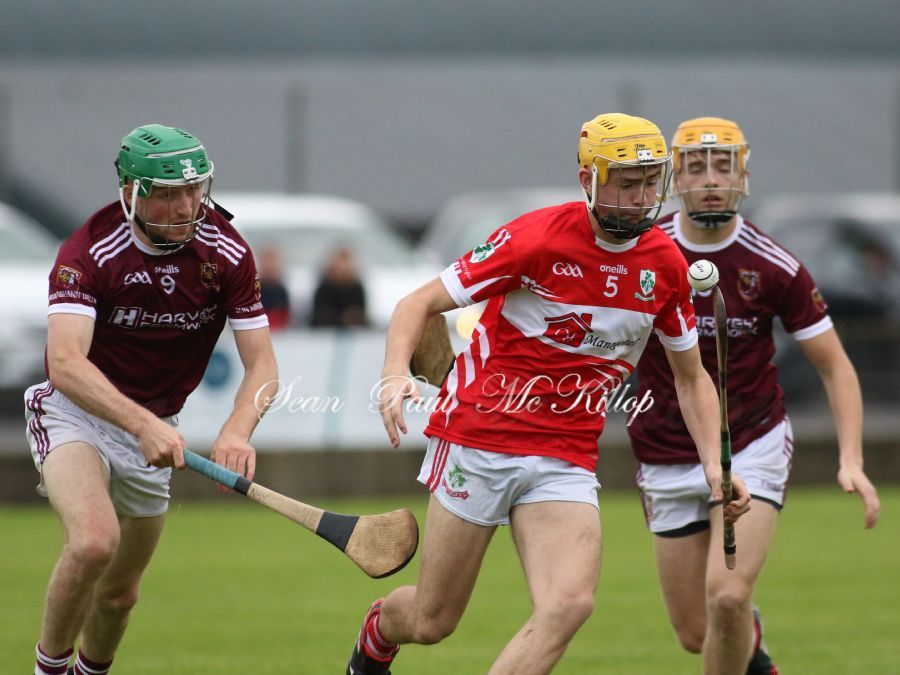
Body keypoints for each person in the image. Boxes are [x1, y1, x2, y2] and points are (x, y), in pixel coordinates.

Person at [346, 113, 751, 675]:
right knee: (432, 621)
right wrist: (395, 373)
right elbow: (418, 304)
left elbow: (692, 378)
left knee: (570, 603)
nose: (640, 198)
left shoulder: (664, 265)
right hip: (479, 438)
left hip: (565, 455)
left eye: (649, 182)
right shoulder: (533, 239)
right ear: (589, 180)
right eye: (625, 183)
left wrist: (713, 464)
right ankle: (377, 634)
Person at [627, 117, 881, 675]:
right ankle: (752, 637)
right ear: (676, 178)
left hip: (751, 443)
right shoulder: (644, 252)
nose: (710, 179)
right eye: (696, 167)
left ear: (742, 174)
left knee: (727, 596)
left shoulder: (772, 265)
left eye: (722, 166)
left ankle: (741, 614)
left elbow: (835, 367)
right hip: (665, 448)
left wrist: (852, 459)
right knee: (697, 633)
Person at [25, 124, 279, 675]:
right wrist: (142, 424)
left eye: (193, 190)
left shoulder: (226, 252)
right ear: (130, 192)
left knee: (120, 595)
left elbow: (263, 365)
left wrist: (237, 429)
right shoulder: (88, 252)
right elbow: (65, 364)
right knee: (94, 543)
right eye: (167, 193)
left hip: (155, 426)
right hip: (75, 414)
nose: (185, 206)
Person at [309, 245, 368, 328]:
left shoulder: (357, 289)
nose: (341, 270)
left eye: (344, 270)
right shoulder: (323, 289)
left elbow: (359, 317)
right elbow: (321, 318)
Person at [257, 245, 291, 330]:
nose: (270, 266)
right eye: (267, 262)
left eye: (273, 262)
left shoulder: (282, 292)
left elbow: (285, 320)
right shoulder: (252, 291)